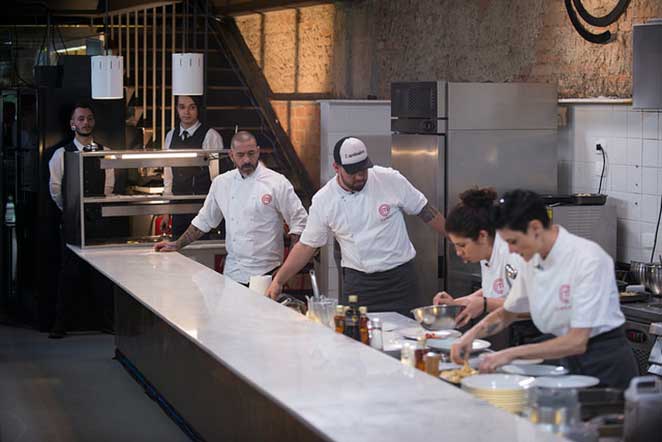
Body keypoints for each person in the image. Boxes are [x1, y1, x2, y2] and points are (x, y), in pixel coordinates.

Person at [450, 190, 638, 389]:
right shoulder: (533, 258)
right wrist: (469, 336)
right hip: (564, 359)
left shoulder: (588, 259)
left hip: (603, 366)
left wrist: (509, 354)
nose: (511, 250)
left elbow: (577, 341)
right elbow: (508, 312)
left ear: (535, 228)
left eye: (513, 241)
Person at [266, 137, 446, 315]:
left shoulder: (389, 179)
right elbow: (306, 246)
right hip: (360, 285)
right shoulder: (324, 200)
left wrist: (457, 238)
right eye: (353, 171)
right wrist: (279, 280)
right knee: (355, 337)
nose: (360, 176)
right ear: (336, 168)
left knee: (408, 335)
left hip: (401, 280)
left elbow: (425, 210)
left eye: (363, 169)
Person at [154, 131, 307, 286]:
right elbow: (204, 221)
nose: (247, 160)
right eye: (240, 155)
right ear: (231, 155)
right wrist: (177, 244)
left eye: (251, 153)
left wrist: (284, 273)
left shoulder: (277, 183)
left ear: (258, 151)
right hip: (233, 273)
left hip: (267, 274)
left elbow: (300, 225)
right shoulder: (222, 183)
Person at [47, 102, 115, 338]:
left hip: (98, 220)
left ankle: (107, 322)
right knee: (68, 273)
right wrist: (70, 211)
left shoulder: (105, 150)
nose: (85, 122)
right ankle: (60, 324)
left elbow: (108, 185)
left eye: (89, 118)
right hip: (72, 221)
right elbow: (55, 188)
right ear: (72, 124)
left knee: (102, 273)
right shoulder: (61, 154)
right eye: (81, 119)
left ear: (93, 122)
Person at [432, 188, 523, 327]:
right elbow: (497, 288)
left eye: (462, 245)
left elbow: (537, 305)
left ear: (482, 236)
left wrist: (485, 304)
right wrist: (456, 304)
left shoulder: (515, 252)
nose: (458, 252)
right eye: (455, 245)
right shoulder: (487, 251)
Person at [161, 95, 224, 237]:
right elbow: (168, 176)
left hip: (202, 207)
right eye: (182, 107)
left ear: (198, 109)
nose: (186, 112)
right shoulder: (171, 135)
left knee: (201, 252)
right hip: (178, 206)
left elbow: (217, 179)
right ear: (176, 109)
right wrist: (166, 210)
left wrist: (216, 210)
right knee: (178, 253)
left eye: (192, 107)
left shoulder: (211, 136)